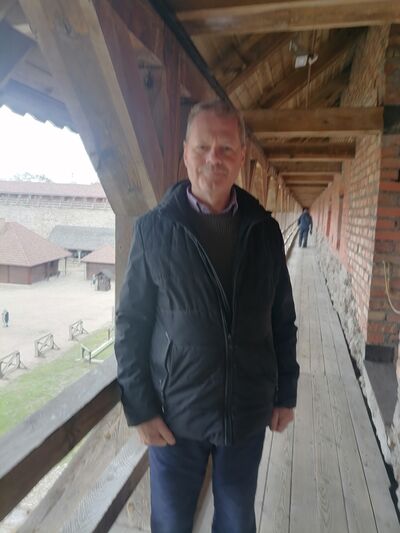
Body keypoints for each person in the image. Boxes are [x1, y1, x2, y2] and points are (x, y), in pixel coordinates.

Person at [115, 100, 299, 533]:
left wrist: (285, 393)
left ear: (241, 156)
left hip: (246, 412)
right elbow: (131, 324)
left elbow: (282, 318)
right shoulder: (153, 230)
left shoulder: (265, 232)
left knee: (236, 519)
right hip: (175, 416)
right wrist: (140, 408)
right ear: (185, 153)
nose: (213, 158)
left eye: (226, 148)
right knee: (171, 523)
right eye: (202, 147)